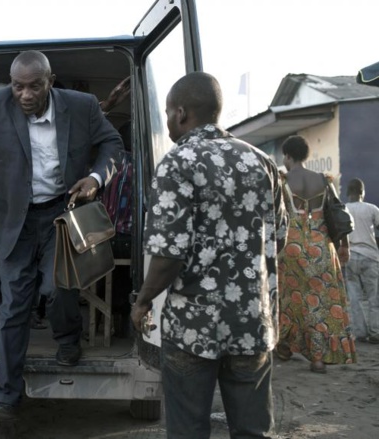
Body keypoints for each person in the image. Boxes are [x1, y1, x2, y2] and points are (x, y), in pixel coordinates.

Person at [0, 50, 123, 421]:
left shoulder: (82, 106)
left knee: (57, 289)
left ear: (50, 82)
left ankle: (68, 339)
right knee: (13, 307)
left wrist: (96, 177)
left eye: (34, 86)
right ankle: (7, 398)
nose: (24, 94)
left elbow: (112, 145)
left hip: (61, 212)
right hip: (15, 221)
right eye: (18, 86)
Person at [130, 72, 288, 438]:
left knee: (188, 427)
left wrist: (143, 301)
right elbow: (278, 237)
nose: (168, 121)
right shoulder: (261, 162)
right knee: (253, 430)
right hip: (252, 321)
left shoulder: (178, 162)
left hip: (193, 327)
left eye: (168, 113)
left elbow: (169, 254)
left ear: (181, 113)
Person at [276, 135, 356, 373]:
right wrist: (345, 245)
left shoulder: (283, 181)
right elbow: (338, 212)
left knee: (290, 301)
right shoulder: (324, 180)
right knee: (321, 303)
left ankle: (285, 346)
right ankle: (318, 359)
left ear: (288, 156)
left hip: (292, 248)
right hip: (322, 248)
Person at [344, 178, 379, 344]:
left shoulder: (342, 209)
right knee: (374, 297)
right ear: (362, 193)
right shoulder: (372, 209)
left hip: (350, 257)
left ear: (347, 192)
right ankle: (375, 332)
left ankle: (360, 332)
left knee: (355, 298)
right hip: (370, 257)